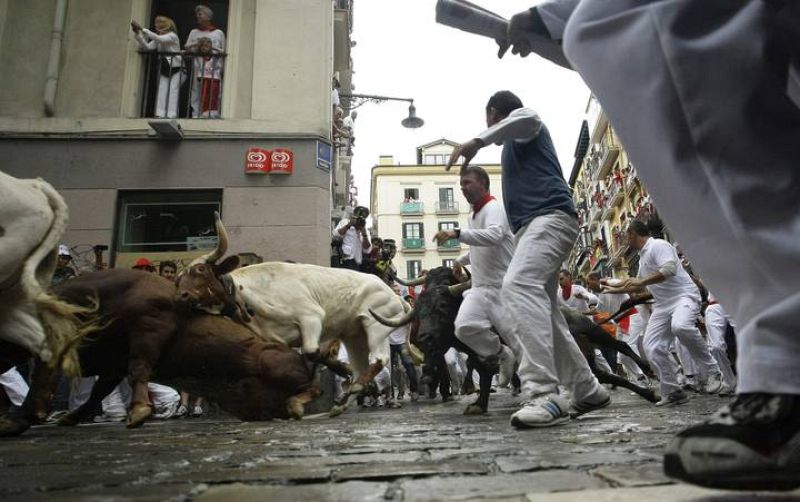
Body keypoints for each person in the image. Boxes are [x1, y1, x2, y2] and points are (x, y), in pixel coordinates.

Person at [498, 0, 800, 488]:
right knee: (654, 342)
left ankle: (780, 368)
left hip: (679, 299)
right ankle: (673, 383)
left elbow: (666, 275)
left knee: (623, 26)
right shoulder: (637, 254)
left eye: (628, 233)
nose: (623, 236)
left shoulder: (653, 250)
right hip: (651, 307)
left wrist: (557, 16)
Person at [446, 91, 608, 428]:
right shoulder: (512, 146)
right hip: (534, 228)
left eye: (488, 119)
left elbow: (526, 117)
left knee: (517, 286)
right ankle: (587, 389)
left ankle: (544, 393)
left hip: (550, 218)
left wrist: (477, 140)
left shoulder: (527, 123)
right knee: (547, 314)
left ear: (493, 114)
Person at [604, 220, 723, 405]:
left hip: (684, 296)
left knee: (681, 326)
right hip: (663, 305)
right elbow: (645, 289)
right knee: (652, 346)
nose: (624, 239)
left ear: (633, 233)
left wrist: (640, 282)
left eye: (626, 235)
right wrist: (614, 290)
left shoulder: (658, 245)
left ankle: (712, 371)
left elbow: (668, 269)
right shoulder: (643, 259)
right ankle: (673, 391)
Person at [432, 165, 516, 382]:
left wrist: (455, 233)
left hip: (502, 288)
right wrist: (460, 260)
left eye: (467, 182)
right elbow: (480, 246)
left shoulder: (494, 208)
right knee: (464, 327)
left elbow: (494, 235)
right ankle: (501, 354)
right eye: (461, 185)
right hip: (479, 288)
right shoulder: (473, 215)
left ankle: (540, 392)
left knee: (518, 339)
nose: (463, 188)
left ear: (483, 183)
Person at [131, 16, 183, 118]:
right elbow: (147, 47)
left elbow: (159, 38)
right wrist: (138, 34)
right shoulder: (159, 38)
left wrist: (143, 29)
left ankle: (171, 114)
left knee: (173, 89)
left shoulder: (172, 36)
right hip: (165, 65)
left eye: (160, 27)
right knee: (162, 88)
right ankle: (160, 113)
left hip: (176, 66)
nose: (158, 29)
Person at [185, 5, 225, 118]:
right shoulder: (194, 32)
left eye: (200, 14)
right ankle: (196, 115)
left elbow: (223, 51)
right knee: (196, 91)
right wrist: (196, 46)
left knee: (214, 92)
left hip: (214, 68)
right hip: (198, 67)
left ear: (208, 16)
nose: (197, 16)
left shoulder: (218, 33)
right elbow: (188, 48)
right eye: (197, 14)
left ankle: (212, 114)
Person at [332, 206, 371, 271]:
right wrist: (348, 225)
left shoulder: (365, 231)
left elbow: (367, 250)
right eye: (359, 216)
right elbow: (335, 235)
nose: (360, 218)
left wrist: (364, 234)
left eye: (363, 217)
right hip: (342, 261)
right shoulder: (345, 222)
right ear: (354, 214)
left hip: (356, 263)